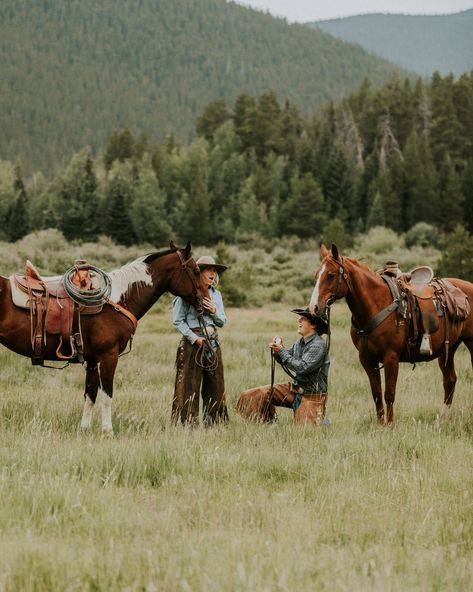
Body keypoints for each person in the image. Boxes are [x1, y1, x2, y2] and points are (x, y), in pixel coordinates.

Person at [236, 308, 330, 424]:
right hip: (295, 390)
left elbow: (302, 367)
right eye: (300, 318)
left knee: (304, 431)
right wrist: (277, 350)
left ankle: (322, 420)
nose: (299, 320)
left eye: (303, 319)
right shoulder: (300, 342)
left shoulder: (318, 345)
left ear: (314, 325)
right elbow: (286, 358)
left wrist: (281, 351)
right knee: (252, 395)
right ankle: (269, 423)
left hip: (312, 396)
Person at [172, 255, 229, 425]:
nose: (213, 274)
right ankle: (188, 422)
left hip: (213, 341)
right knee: (189, 384)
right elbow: (177, 320)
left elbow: (223, 321)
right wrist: (193, 338)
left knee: (216, 383)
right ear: (199, 273)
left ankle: (214, 422)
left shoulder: (216, 295)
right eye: (209, 271)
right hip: (193, 343)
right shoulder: (186, 293)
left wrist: (213, 311)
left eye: (215, 271)